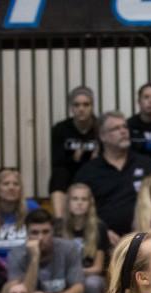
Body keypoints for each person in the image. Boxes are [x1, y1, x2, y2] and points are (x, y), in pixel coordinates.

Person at [76, 112, 151, 242]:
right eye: (116, 128)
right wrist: (102, 232)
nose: (123, 131)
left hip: (146, 238)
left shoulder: (147, 165)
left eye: (125, 127)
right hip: (103, 242)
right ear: (102, 136)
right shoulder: (88, 172)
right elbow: (80, 209)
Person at [61, 183, 111, 293]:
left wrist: (76, 273)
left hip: (91, 276)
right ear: (68, 202)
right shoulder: (58, 227)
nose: (79, 203)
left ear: (90, 203)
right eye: (75, 199)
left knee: (91, 284)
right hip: (65, 275)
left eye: (84, 199)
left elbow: (98, 268)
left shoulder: (99, 227)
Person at [49, 86, 99, 221]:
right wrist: (74, 158)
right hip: (69, 171)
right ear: (71, 108)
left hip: (94, 171)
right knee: (59, 174)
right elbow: (57, 161)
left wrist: (97, 159)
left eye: (86, 104)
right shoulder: (61, 129)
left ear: (92, 106)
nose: (81, 109)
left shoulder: (100, 127)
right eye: (77, 105)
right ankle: (59, 220)